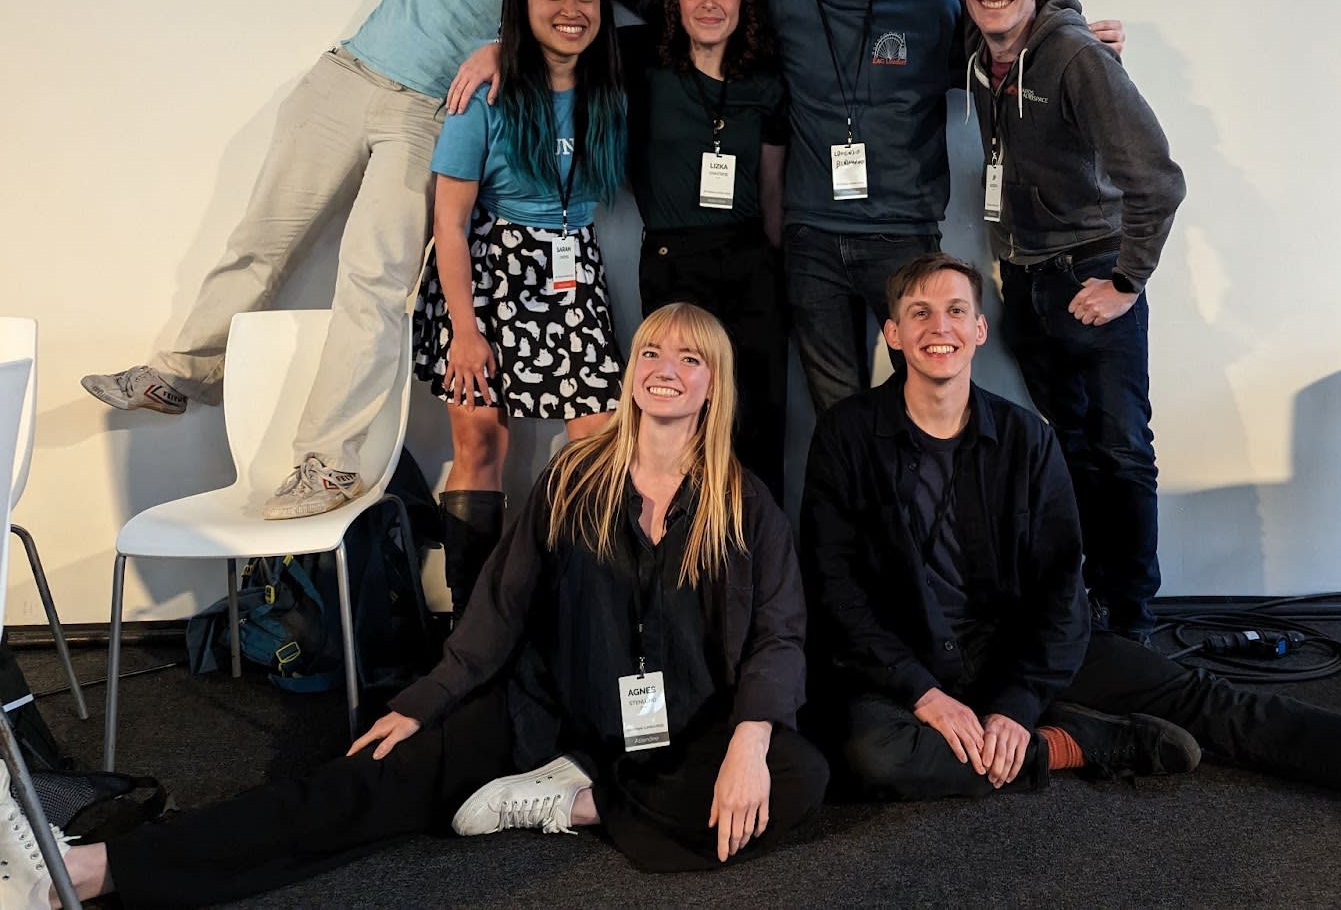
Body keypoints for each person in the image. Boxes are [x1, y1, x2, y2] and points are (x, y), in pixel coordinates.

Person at [13, 305, 828, 907]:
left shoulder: (744, 503)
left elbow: (779, 635)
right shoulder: (573, 478)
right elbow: (499, 605)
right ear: (631, 371)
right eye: (651, 350)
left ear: (713, 382)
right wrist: (424, 701)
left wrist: (749, 739)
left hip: (679, 730)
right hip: (548, 713)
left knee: (801, 772)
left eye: (689, 357)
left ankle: (577, 803)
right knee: (361, 780)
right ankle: (100, 867)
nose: (665, 367)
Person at [81, 0, 665, 520]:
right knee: (262, 236)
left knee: (376, 278)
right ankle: (180, 371)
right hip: (351, 74)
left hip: (433, 113)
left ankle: (329, 462)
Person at [801, 252, 1341, 815]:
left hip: (1020, 654)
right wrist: (925, 692)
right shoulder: (846, 438)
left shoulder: (1025, 439)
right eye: (919, 313)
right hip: (910, 665)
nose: (938, 326)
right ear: (894, 334)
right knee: (866, 754)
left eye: (955, 311)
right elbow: (836, 591)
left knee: (1216, 703)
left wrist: (1014, 701)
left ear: (979, 330)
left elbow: (1061, 587)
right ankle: (1077, 746)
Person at [759, 0, 1126, 413]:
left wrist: (1082, 42)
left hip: (904, 234)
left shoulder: (930, 0)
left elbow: (1012, 42)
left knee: (929, 400)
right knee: (835, 412)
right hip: (812, 239)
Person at [948, 0, 1186, 643]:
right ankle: (1089, 606)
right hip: (1025, 282)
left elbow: (1157, 181)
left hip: (1091, 274)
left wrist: (1126, 283)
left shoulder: (1076, 58)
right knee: (1073, 447)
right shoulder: (980, 49)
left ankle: (1133, 619)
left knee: (1122, 451)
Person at [414, 0, 630, 617]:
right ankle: (474, 625)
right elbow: (449, 222)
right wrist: (465, 332)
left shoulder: (610, 88)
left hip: (574, 275)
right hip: (489, 276)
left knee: (599, 442)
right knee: (480, 441)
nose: (571, 10)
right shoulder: (486, 91)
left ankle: (580, 613)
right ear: (523, 4)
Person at [626, 0, 789, 495]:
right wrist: (495, 52)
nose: (709, 2)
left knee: (759, 418)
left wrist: (775, 268)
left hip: (749, 263)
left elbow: (772, 187)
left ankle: (757, 542)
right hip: (673, 263)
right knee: (678, 421)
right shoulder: (643, 66)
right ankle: (684, 538)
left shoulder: (765, 84)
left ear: (745, 0)